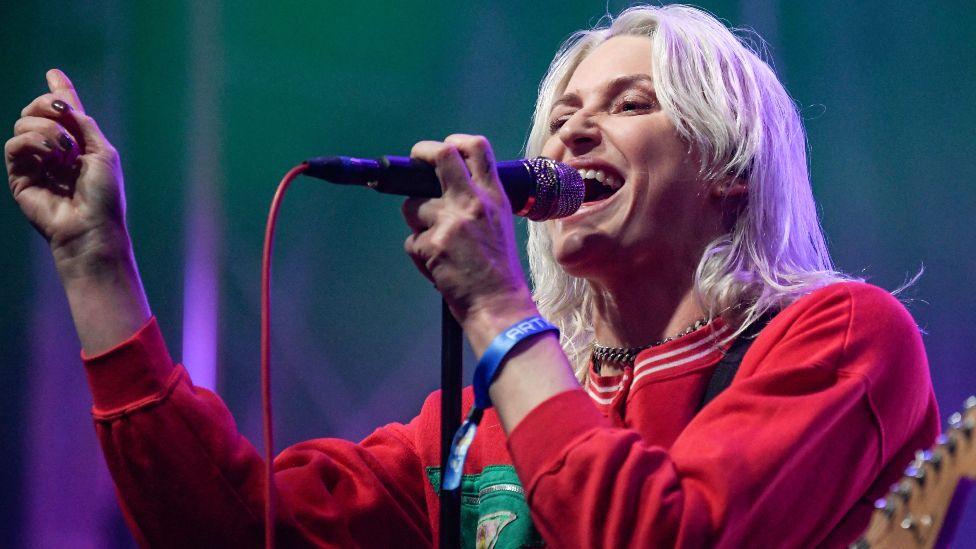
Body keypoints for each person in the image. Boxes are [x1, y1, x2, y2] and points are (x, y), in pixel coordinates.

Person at [6, 5, 939, 547]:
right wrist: (96, 265)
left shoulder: (843, 335)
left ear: (727, 169)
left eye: (632, 104)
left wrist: (496, 306)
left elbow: (662, 535)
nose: (573, 131)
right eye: (564, 112)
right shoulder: (479, 432)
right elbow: (229, 528)